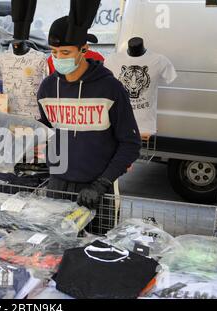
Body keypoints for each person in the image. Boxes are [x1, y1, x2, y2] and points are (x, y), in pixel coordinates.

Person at [37, 16, 141, 235]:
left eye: (65, 53)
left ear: (83, 49)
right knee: (54, 250)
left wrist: (102, 184)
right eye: (53, 53)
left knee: (96, 253)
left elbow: (130, 144)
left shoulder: (110, 89)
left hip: (96, 189)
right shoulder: (47, 88)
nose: (58, 58)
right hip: (57, 186)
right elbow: (48, 129)